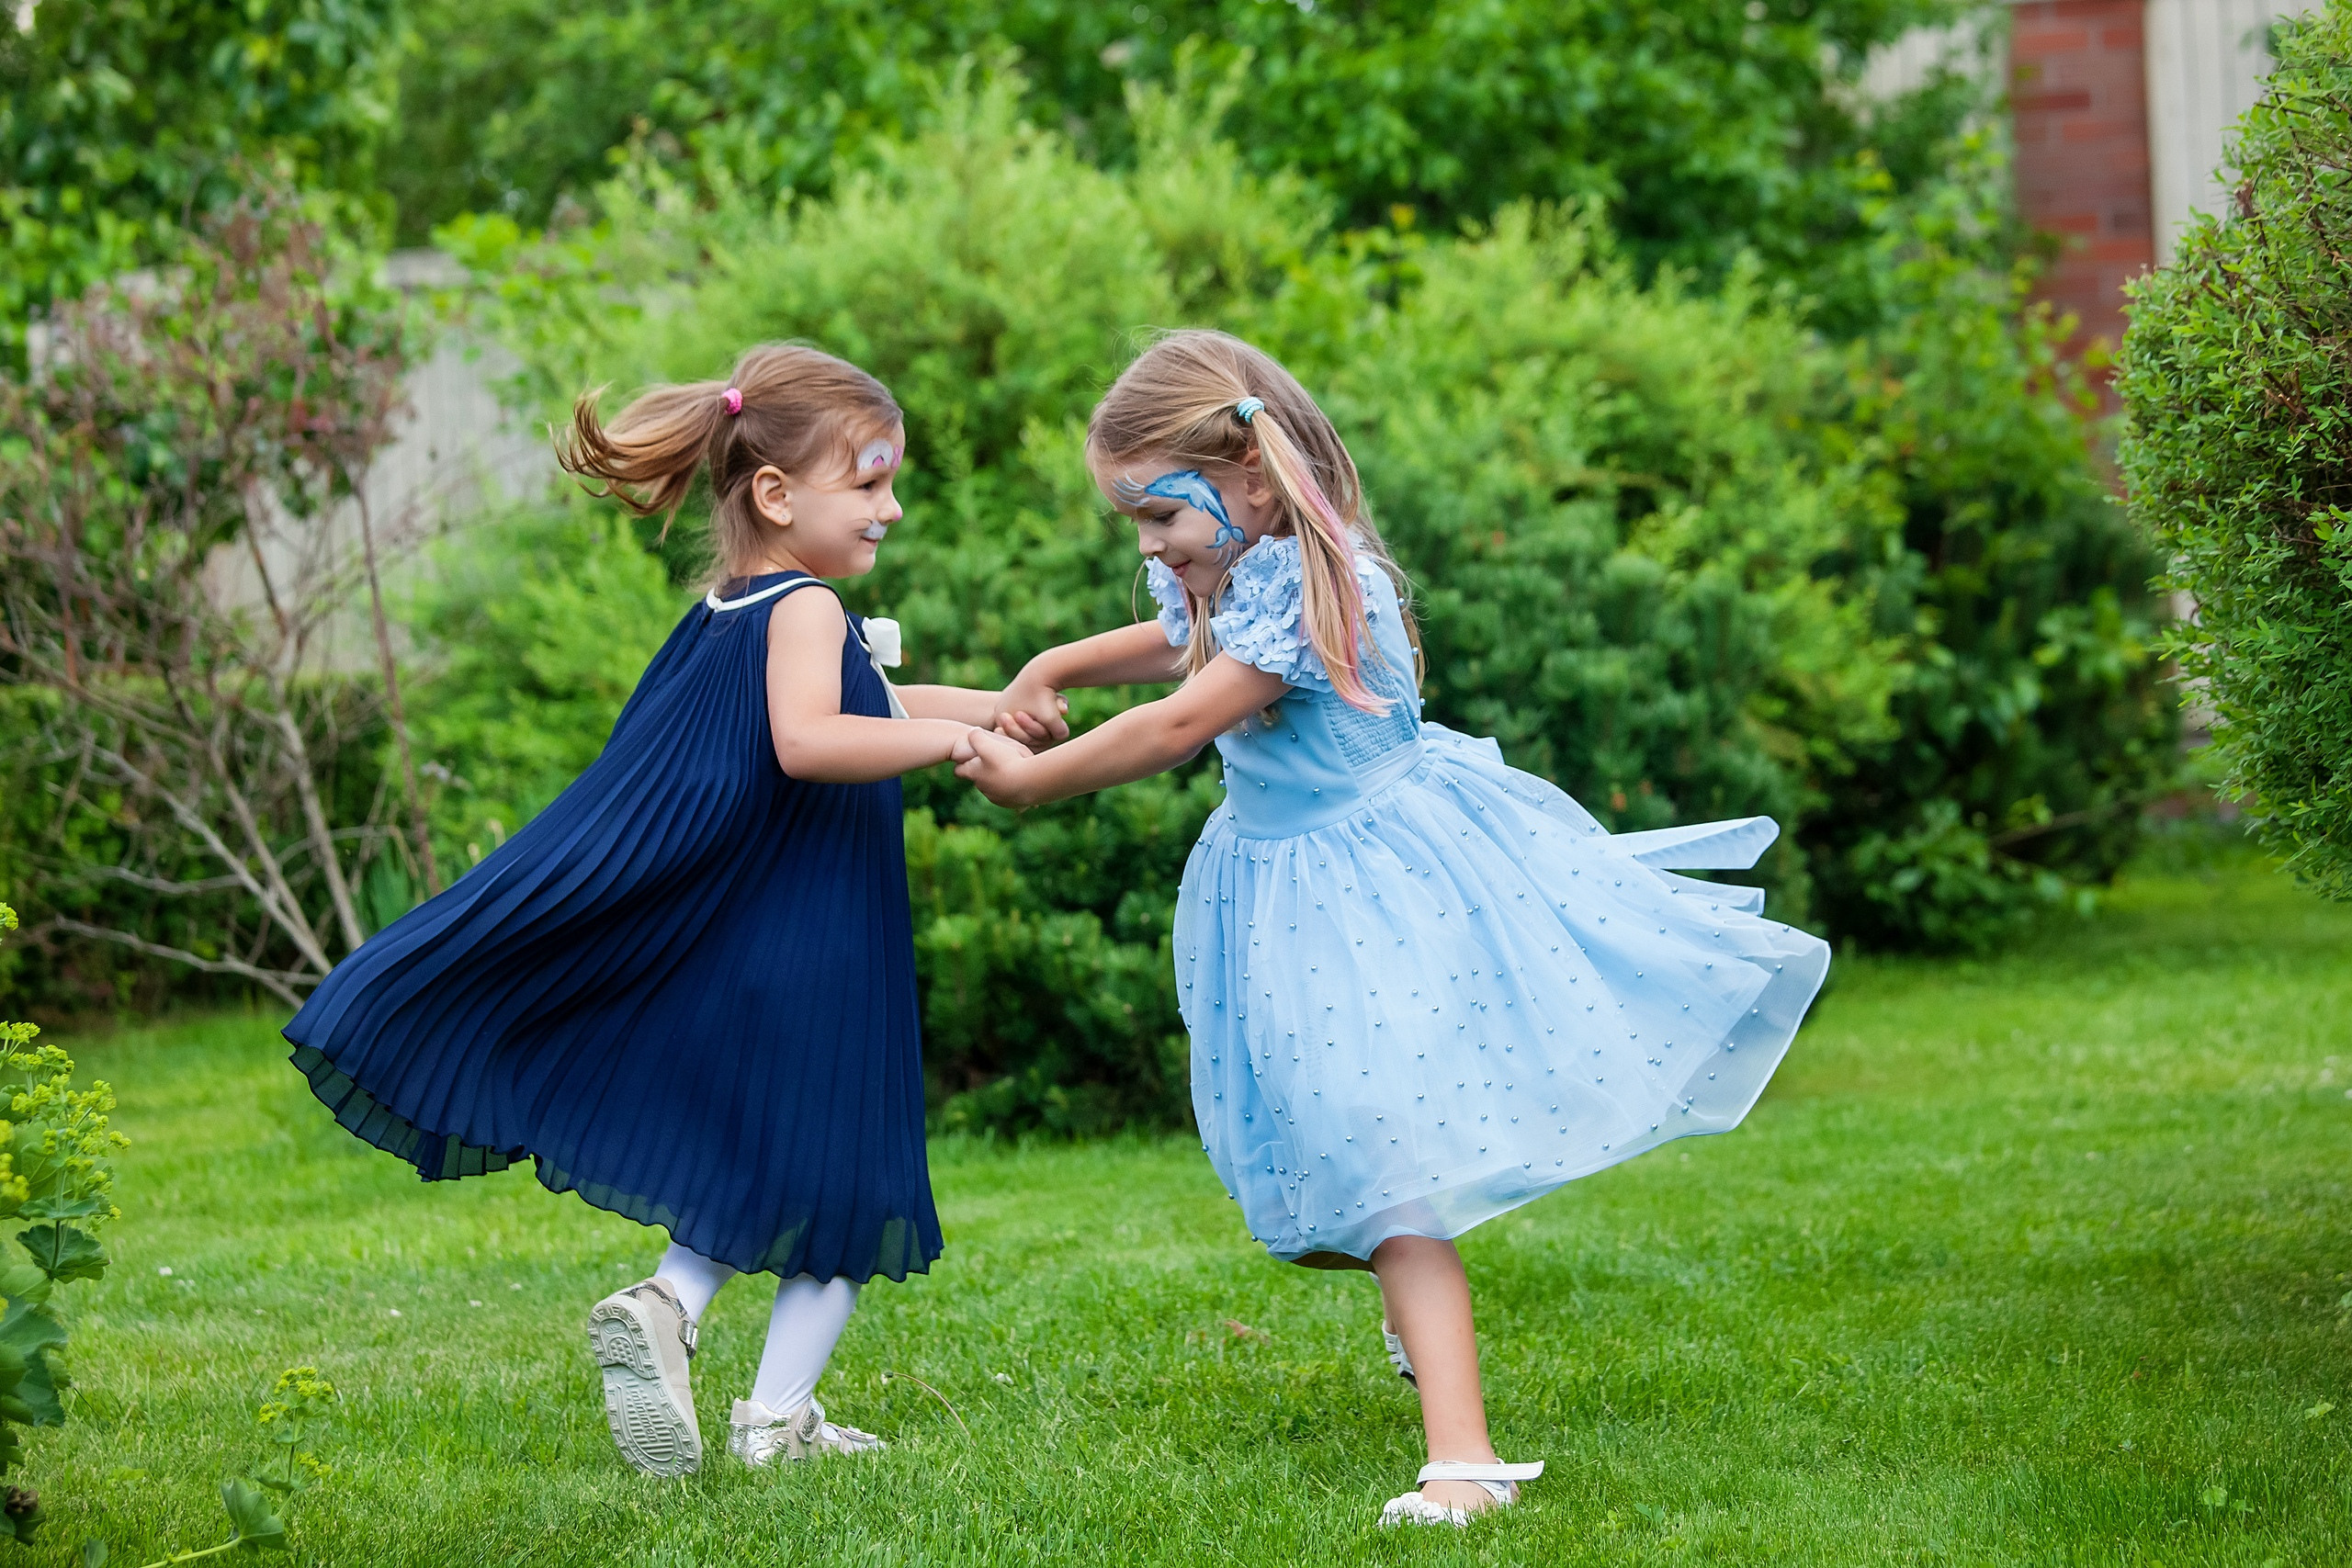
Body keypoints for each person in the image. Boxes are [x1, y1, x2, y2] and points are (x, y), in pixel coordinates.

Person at [956, 330, 1831, 1527]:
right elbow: (1173, 643)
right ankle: (1407, 1302)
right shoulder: (1238, 569)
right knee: (1323, 1181)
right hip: (1285, 885)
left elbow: (1175, 721)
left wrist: (1028, 782)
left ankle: (1462, 1459)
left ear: (1252, 479)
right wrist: (1051, 661)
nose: (1151, 547)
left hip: (1379, 887)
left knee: (1390, 1180)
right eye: (1137, 523)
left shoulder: (1328, 584)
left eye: (1158, 515)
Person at [284, 344, 1060, 1477]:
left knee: (773, 1162)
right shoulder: (808, 608)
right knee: (849, 1177)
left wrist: (992, 704)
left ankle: (668, 1303)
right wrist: (953, 740)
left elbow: (865, 697)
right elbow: (812, 740)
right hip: (822, 948)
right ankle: (776, 1421)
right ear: (777, 493)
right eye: (872, 482)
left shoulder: (736, 605)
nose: (892, 507)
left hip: (768, 943)